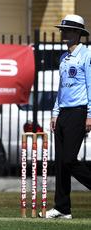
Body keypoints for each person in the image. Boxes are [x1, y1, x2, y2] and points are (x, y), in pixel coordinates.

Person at [45, 14, 91, 219]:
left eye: (68, 30)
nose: (64, 33)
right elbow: (61, 89)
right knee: (61, 162)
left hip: (79, 112)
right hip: (63, 113)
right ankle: (63, 208)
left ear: (78, 34)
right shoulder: (63, 58)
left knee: (70, 159)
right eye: (63, 30)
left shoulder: (87, 55)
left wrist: (90, 114)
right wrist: (55, 113)